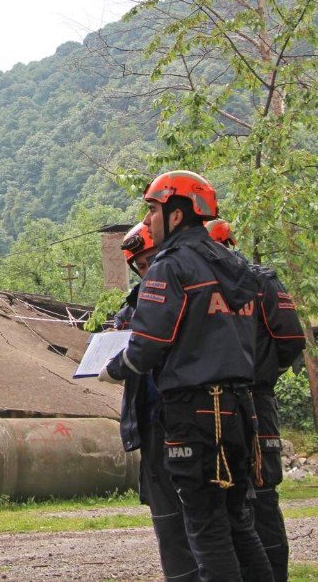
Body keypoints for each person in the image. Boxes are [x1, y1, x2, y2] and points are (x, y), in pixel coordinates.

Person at [103, 171, 273, 581]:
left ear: (177, 214)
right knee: (239, 522)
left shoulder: (170, 266)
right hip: (239, 409)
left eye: (153, 209)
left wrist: (117, 367)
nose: (149, 220)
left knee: (206, 527)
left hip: (193, 414)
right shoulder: (236, 264)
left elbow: (149, 343)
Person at [206, 219, 306, 582]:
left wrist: (260, 374)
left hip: (255, 403)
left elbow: (292, 339)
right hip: (223, 403)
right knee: (227, 499)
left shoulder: (260, 281)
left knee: (261, 497)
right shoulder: (204, 283)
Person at [103, 223, 197, 581]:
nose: (149, 269)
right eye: (141, 265)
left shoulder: (189, 291)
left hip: (186, 415)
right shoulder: (131, 304)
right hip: (150, 419)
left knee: (204, 517)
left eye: (153, 259)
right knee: (167, 520)